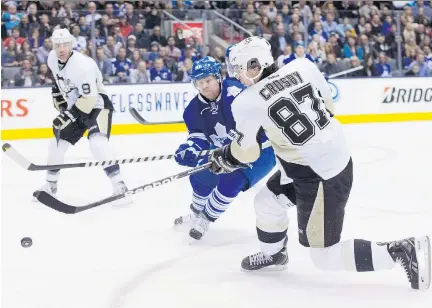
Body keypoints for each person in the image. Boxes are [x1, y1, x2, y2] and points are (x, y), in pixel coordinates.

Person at [207, 36, 430, 290]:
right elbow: (329, 107)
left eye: (240, 69)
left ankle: (401, 251)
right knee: (267, 203)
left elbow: (246, 154)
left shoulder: (246, 103)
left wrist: (225, 157)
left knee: (324, 256)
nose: (237, 76)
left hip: (320, 177)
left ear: (257, 64)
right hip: (327, 159)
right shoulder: (303, 66)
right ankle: (275, 255)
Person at [173, 55, 277, 240]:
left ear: (218, 77)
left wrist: (236, 150)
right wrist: (190, 148)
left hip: (261, 150)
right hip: (226, 151)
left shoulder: (235, 94)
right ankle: (196, 213)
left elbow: (258, 128)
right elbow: (198, 136)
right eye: (199, 82)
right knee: (200, 174)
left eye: (208, 80)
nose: (204, 86)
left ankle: (205, 218)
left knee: (232, 180)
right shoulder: (192, 110)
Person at [34, 28, 128, 200]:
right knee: (56, 142)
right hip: (76, 105)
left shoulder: (83, 66)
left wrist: (68, 115)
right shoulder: (52, 58)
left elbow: (89, 99)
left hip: (97, 104)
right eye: (57, 45)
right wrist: (56, 91)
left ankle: (120, 186)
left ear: (71, 44)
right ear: (53, 46)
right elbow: (57, 77)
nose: (61, 49)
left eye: (65, 44)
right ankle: (50, 185)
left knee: (97, 143)